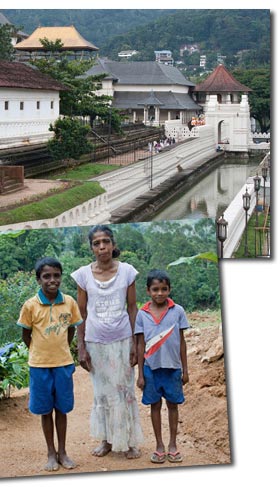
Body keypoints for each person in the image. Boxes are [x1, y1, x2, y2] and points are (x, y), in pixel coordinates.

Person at [71, 224, 143, 459]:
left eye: (105, 242)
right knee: (102, 392)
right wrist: (81, 347)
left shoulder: (127, 272)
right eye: (96, 243)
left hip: (122, 339)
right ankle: (107, 440)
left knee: (124, 390)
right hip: (95, 342)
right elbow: (81, 312)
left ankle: (130, 440)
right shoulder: (82, 275)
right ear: (92, 247)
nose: (102, 247)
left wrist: (135, 344)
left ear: (113, 244)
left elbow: (132, 308)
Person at [17, 257, 83, 472]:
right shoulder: (30, 305)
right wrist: (39, 352)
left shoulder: (69, 302)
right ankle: (50, 453)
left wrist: (60, 348)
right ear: (39, 280)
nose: (52, 280)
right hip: (39, 366)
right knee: (46, 411)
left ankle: (63, 452)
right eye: (46, 276)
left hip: (63, 364)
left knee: (61, 409)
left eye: (56, 275)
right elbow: (26, 334)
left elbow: (71, 329)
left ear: (61, 277)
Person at [135, 269, 189, 464]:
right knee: (155, 406)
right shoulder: (142, 314)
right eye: (155, 289)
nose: (160, 293)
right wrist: (140, 373)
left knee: (173, 405)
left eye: (164, 289)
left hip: (173, 368)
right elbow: (140, 344)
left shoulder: (178, 311)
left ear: (169, 290)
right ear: (148, 291)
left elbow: (182, 342)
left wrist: (185, 369)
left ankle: (173, 444)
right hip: (151, 368)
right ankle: (159, 445)